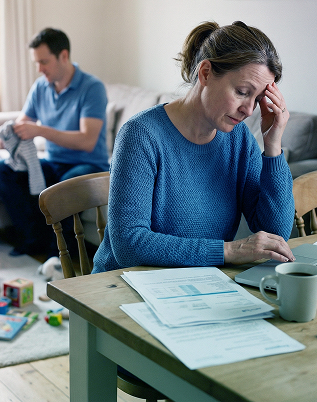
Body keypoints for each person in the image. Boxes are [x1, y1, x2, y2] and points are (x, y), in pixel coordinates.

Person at [92, 20, 296, 274]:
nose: (248, 110)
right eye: (243, 92)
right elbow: (128, 245)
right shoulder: (141, 136)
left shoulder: (239, 139)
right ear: (206, 73)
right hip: (122, 286)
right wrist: (230, 251)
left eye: (258, 99)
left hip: (197, 284)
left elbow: (275, 235)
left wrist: (273, 144)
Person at [0, 28, 109, 257]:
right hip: (54, 162)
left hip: (87, 166)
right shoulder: (41, 87)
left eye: (44, 62)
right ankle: (32, 240)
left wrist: (40, 130)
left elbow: (87, 141)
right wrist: (9, 135)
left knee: (63, 186)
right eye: (37, 63)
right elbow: (23, 121)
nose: (39, 69)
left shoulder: (92, 88)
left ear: (63, 56)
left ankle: (59, 253)